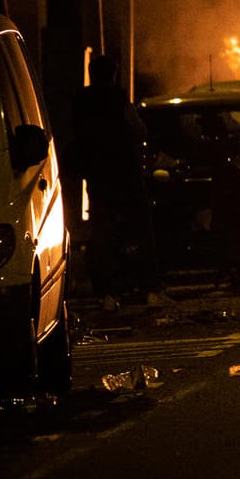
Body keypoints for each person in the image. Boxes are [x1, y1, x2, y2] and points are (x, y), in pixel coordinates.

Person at [72, 55, 164, 306]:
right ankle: (152, 290)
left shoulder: (81, 101)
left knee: (102, 236)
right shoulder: (118, 98)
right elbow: (139, 130)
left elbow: (77, 136)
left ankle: (107, 294)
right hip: (125, 175)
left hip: (97, 177)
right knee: (143, 230)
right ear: (113, 74)